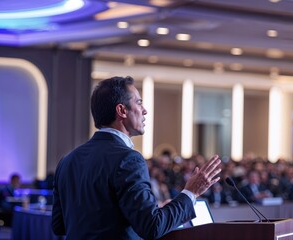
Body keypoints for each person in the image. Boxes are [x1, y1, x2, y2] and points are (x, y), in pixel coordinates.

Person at [52, 76, 221, 240]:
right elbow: (152, 227)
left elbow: (59, 225)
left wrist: (142, 212)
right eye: (139, 103)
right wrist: (191, 193)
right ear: (121, 110)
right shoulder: (129, 159)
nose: (144, 110)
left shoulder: (67, 160)